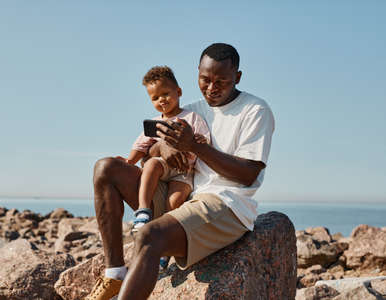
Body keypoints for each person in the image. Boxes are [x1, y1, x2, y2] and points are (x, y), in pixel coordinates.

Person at [88, 43, 275, 300]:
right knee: (105, 168)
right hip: (181, 192)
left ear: (238, 77)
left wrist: (194, 147)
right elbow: (152, 151)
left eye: (222, 81)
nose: (212, 88)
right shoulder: (191, 109)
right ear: (196, 73)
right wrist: (163, 150)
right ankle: (115, 273)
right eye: (205, 79)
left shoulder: (255, 110)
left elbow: (248, 174)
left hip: (224, 204)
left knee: (148, 236)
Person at [120, 66, 209, 234]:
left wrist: (200, 140)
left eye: (165, 94)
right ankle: (143, 211)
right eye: (155, 98)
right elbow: (141, 146)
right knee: (152, 164)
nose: (161, 100)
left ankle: (165, 240)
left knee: (174, 202)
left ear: (179, 91)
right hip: (163, 166)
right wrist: (129, 161)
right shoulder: (154, 124)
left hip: (184, 170)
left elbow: (203, 140)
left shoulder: (191, 117)